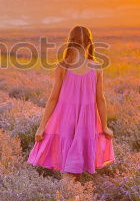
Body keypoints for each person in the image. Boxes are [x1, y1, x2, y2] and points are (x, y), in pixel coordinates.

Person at [28, 25, 114, 177]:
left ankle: (68, 194)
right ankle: (70, 195)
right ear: (89, 43)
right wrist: (105, 126)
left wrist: (42, 127)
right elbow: (101, 100)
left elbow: (53, 98)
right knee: (74, 168)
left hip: (66, 119)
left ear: (70, 42)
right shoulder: (96, 67)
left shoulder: (63, 66)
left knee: (70, 165)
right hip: (87, 121)